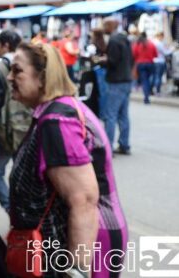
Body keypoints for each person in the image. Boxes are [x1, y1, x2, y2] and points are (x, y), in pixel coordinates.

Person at [7, 43, 127, 277]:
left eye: (17, 70)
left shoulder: (57, 121)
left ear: (42, 77)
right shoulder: (56, 110)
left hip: (82, 244)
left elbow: (83, 200)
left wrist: (76, 271)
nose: (10, 77)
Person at [0, 30, 32, 212]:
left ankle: (12, 209)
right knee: (22, 172)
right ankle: (25, 211)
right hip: (27, 127)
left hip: (5, 129)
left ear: (6, 45)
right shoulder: (29, 64)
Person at [101, 18, 134, 155]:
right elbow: (130, 59)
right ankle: (124, 144)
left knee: (111, 115)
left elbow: (113, 61)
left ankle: (108, 146)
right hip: (126, 79)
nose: (103, 28)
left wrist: (103, 61)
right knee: (123, 115)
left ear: (110, 26)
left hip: (116, 81)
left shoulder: (114, 40)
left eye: (104, 25)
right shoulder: (124, 39)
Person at [132, 32, 158, 104]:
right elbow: (156, 55)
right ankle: (148, 93)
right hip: (150, 63)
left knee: (144, 81)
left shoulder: (137, 44)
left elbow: (133, 55)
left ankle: (146, 97)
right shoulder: (151, 44)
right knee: (149, 79)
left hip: (140, 64)